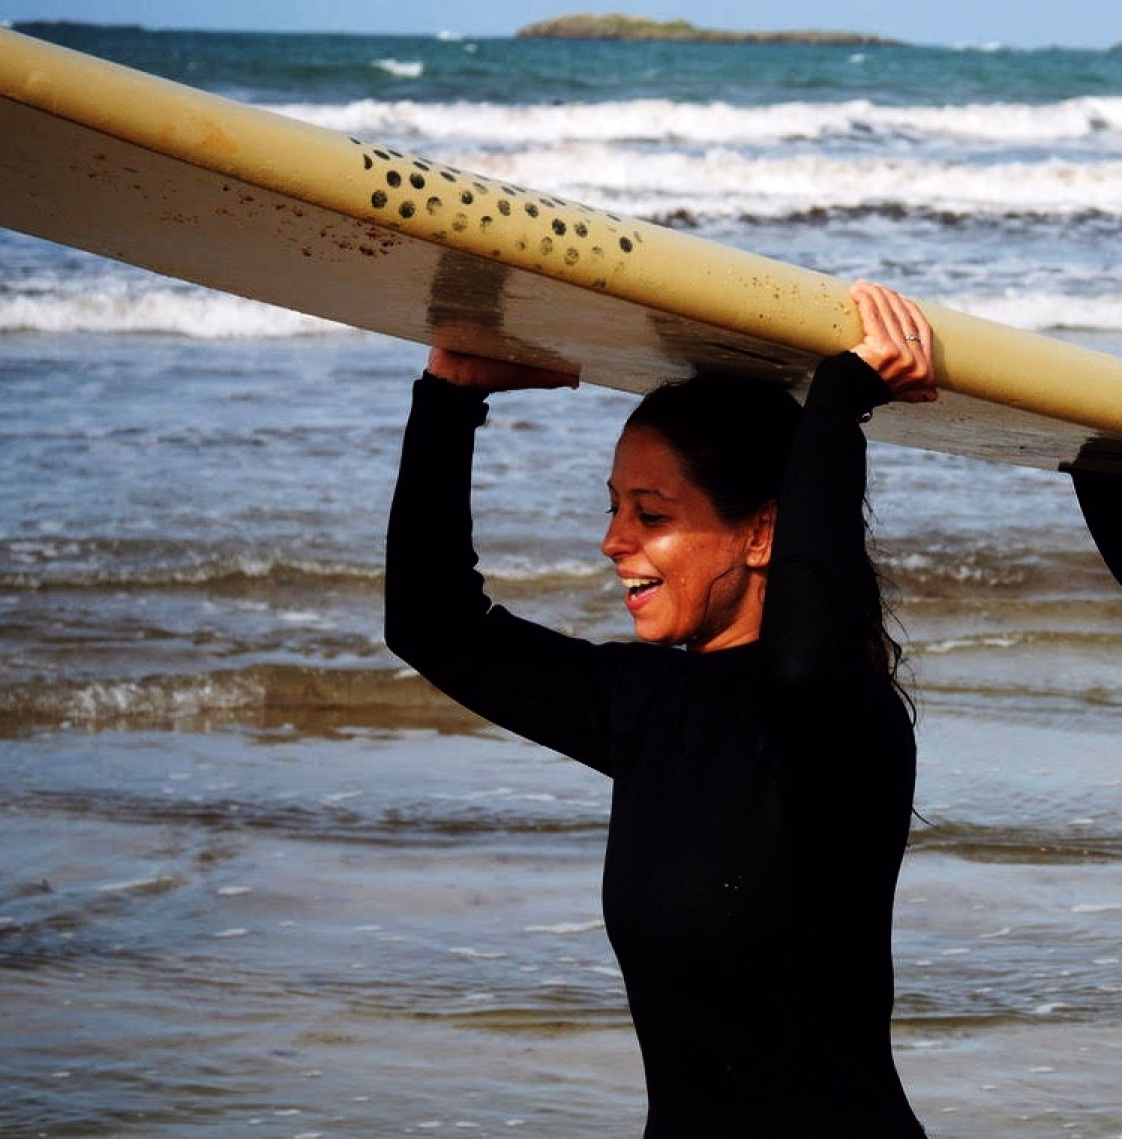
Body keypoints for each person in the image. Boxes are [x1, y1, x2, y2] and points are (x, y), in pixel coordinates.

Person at [384, 281, 938, 1138]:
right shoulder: (642, 704)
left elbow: (798, 664)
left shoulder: (844, 724)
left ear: (762, 536)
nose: (614, 540)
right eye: (614, 508)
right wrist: (451, 394)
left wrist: (841, 400)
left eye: (651, 514)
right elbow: (433, 621)